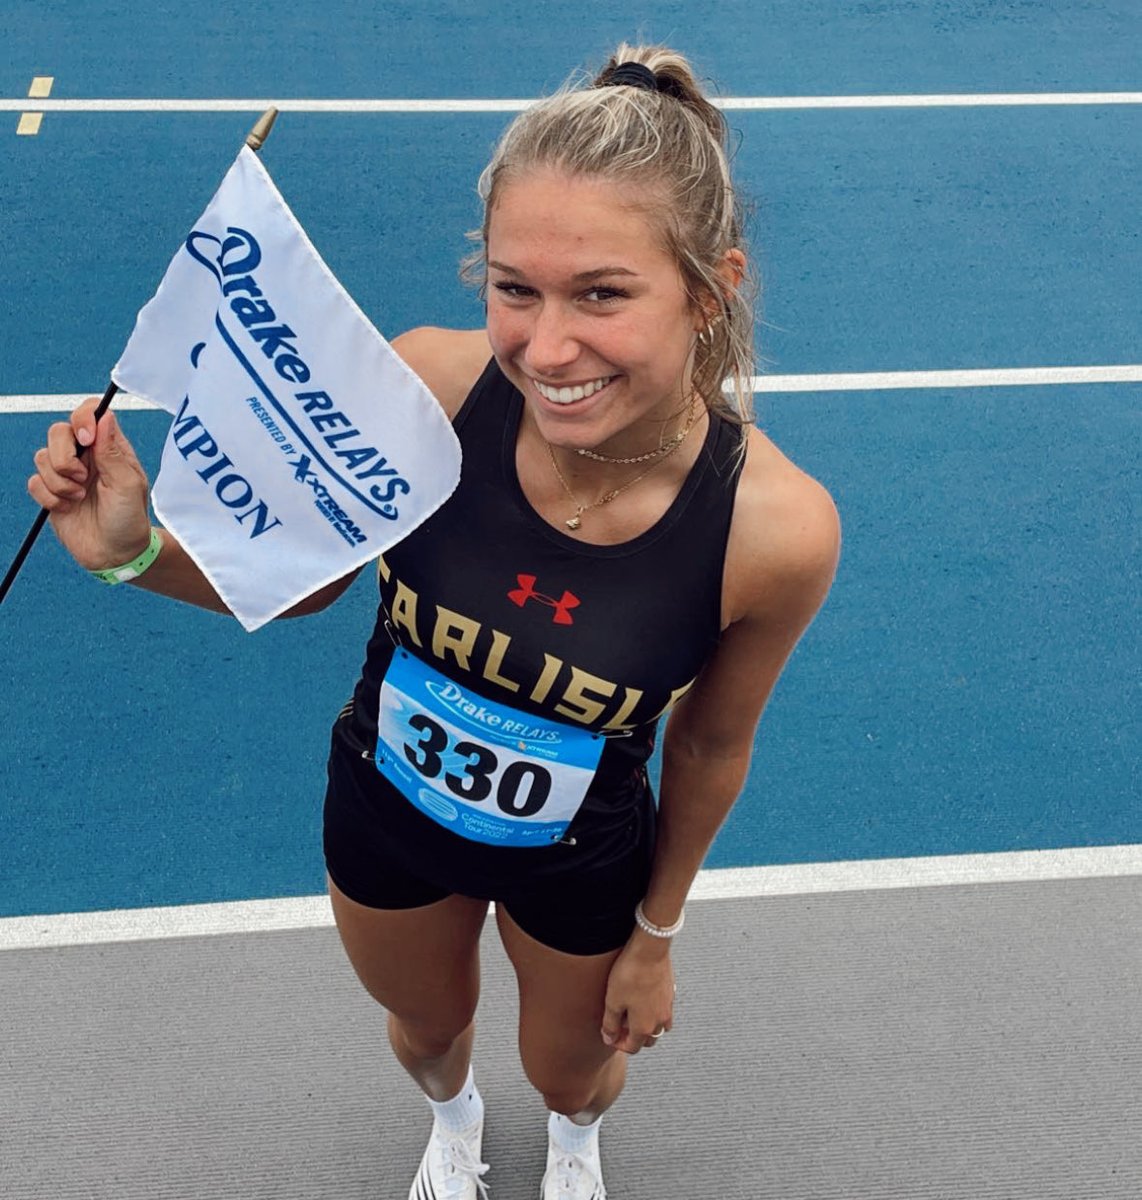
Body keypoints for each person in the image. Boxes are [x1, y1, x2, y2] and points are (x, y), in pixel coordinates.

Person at [29, 43, 840, 1200]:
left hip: (580, 857)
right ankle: (452, 1122)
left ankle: (566, 1139)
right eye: (515, 288)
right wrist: (131, 551)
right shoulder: (429, 389)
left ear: (712, 285)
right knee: (420, 1029)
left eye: (601, 293)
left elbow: (709, 743)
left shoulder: (774, 530)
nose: (546, 349)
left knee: (572, 1075)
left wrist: (655, 937)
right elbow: (305, 582)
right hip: (385, 811)